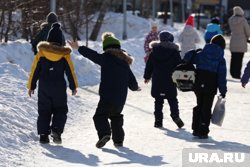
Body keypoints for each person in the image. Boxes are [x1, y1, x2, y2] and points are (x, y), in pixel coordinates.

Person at [68, 32, 140, 148]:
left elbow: (92, 55)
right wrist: (135, 88)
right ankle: (118, 141)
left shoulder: (106, 58)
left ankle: (105, 134)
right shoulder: (124, 63)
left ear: (106, 48)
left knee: (99, 117)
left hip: (107, 96)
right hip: (120, 99)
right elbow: (132, 81)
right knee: (116, 117)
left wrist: (79, 48)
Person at [28, 23, 78, 144]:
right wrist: (73, 86)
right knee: (60, 109)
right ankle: (56, 130)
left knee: (44, 111)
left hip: (44, 87)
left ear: (48, 39)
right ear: (61, 41)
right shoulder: (65, 55)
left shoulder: (41, 53)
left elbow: (34, 70)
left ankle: (43, 135)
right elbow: (70, 72)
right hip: (59, 88)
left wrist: (31, 86)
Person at [183, 34, 227, 139]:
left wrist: (193, 52)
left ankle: (195, 129)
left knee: (199, 104)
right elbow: (221, 76)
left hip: (198, 82)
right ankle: (203, 130)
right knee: (206, 107)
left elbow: (187, 58)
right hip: (211, 84)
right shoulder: (220, 58)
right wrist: (223, 90)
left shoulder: (202, 54)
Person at [143, 30, 184, 129]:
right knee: (172, 99)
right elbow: (180, 65)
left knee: (158, 100)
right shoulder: (174, 52)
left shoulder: (154, 52)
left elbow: (149, 65)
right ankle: (175, 116)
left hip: (158, 80)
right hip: (170, 80)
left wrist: (147, 77)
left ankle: (158, 121)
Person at [228, 6, 250, 79]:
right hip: (241, 42)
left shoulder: (230, 20)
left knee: (233, 58)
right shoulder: (243, 20)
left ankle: (232, 72)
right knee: (239, 59)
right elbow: (248, 31)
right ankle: (237, 74)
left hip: (233, 40)